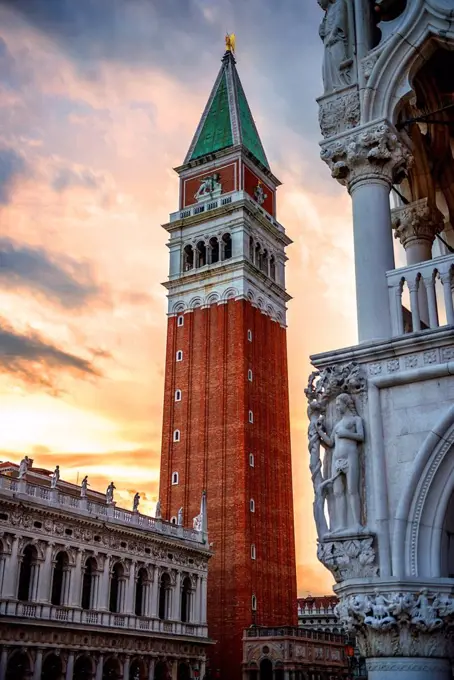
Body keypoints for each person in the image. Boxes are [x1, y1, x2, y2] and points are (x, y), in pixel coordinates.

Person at [317, 393, 364, 533]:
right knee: (338, 492)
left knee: (352, 490)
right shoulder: (337, 425)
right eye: (336, 405)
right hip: (336, 460)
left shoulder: (356, 420)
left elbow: (361, 436)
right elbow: (331, 443)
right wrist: (320, 433)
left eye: (339, 404)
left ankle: (357, 524)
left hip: (351, 457)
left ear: (346, 404)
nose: (337, 407)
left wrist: (346, 434)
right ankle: (342, 525)